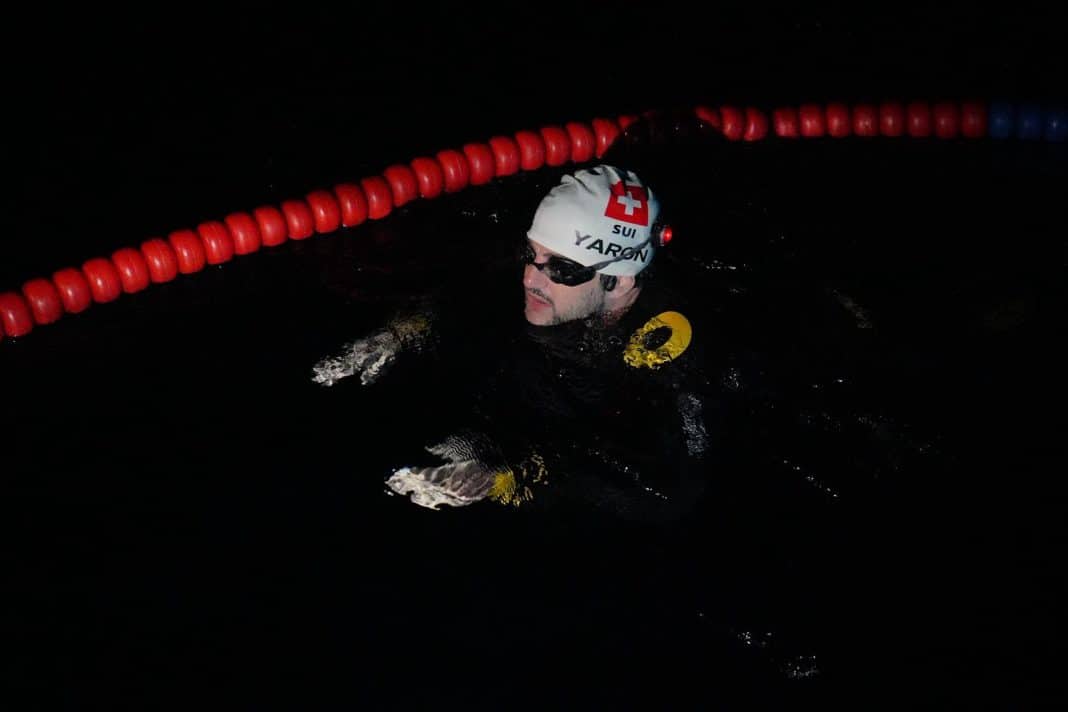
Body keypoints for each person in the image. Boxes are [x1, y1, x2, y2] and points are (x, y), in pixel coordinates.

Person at [312, 164, 714, 521]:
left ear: (621, 281)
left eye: (562, 269)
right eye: (531, 254)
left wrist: (516, 473)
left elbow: (670, 491)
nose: (530, 278)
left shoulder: (667, 350)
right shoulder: (544, 279)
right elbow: (464, 291)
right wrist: (402, 332)